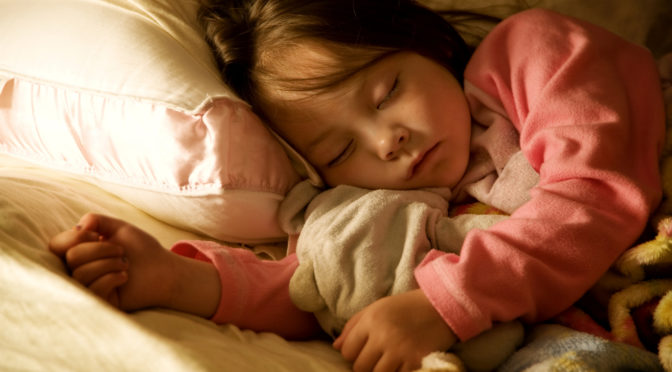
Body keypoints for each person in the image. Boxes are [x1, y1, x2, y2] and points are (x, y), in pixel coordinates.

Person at [48, 1, 666, 371]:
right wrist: (179, 281)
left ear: (418, 42)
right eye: (341, 150)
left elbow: (593, 192)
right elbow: (323, 286)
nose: (386, 141)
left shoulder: (532, 54)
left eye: (387, 90)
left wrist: (443, 303)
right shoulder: (380, 207)